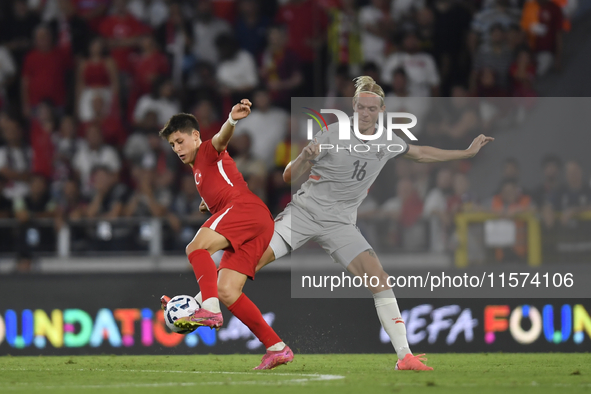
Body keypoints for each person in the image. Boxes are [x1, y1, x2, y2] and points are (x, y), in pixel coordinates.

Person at [254, 76, 493, 371]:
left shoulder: (387, 141)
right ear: (354, 106)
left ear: (380, 110)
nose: (365, 113)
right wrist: (304, 157)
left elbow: (421, 153)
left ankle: (405, 355)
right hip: (304, 213)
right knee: (251, 263)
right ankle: (205, 302)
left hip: (340, 224)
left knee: (379, 278)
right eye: (361, 107)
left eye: (371, 109)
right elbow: (288, 177)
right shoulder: (331, 134)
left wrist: (465, 152)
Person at [158, 103, 293, 370]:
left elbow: (221, 139)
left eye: (180, 141)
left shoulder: (207, 149)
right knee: (227, 290)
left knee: (196, 248)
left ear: (195, 136)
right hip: (257, 223)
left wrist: (231, 119)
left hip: (245, 210)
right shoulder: (198, 170)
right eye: (173, 145)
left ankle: (209, 308)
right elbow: (221, 184)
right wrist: (208, 203)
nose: (178, 149)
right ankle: (277, 348)